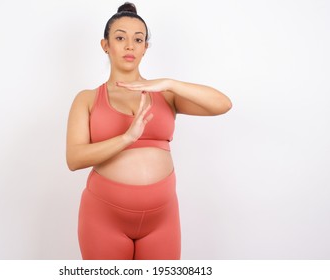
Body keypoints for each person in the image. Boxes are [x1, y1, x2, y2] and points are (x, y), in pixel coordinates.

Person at [66, 2, 232, 260]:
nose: (130, 45)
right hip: (104, 216)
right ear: (105, 45)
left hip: (161, 219)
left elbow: (222, 104)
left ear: (145, 48)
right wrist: (126, 138)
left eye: (138, 39)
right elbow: (74, 159)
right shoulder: (87, 98)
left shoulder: (165, 94)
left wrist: (170, 83)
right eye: (120, 37)